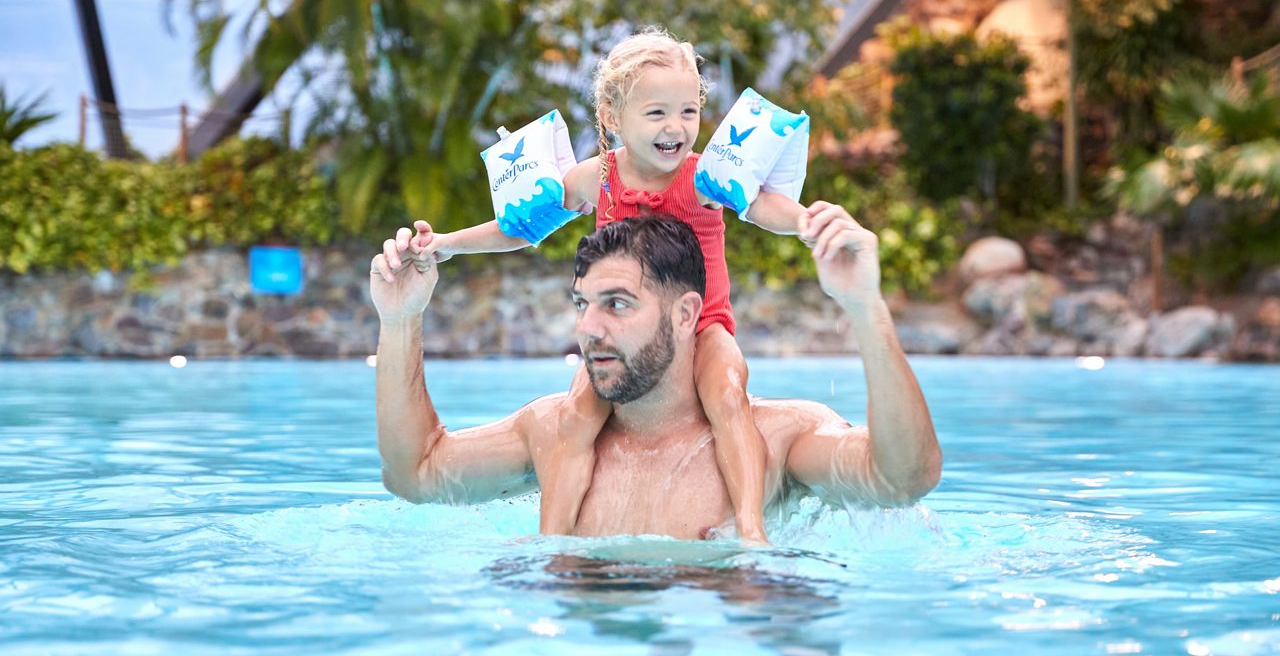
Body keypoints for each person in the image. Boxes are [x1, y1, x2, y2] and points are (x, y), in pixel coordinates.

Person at [415, 28, 808, 543]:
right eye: (656, 113)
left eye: (688, 112)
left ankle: (752, 533)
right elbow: (520, 227)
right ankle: (553, 541)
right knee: (577, 414)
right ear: (611, 117)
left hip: (702, 325)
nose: (676, 127)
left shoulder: (703, 179)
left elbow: (764, 208)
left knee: (729, 397)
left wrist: (808, 223)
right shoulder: (598, 178)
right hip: (623, 338)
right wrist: (447, 243)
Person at [369, 210, 941, 540]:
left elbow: (903, 479)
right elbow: (414, 475)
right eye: (583, 304)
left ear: (687, 314)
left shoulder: (775, 439)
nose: (589, 328)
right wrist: (400, 320)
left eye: (617, 304)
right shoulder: (551, 432)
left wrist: (866, 307)